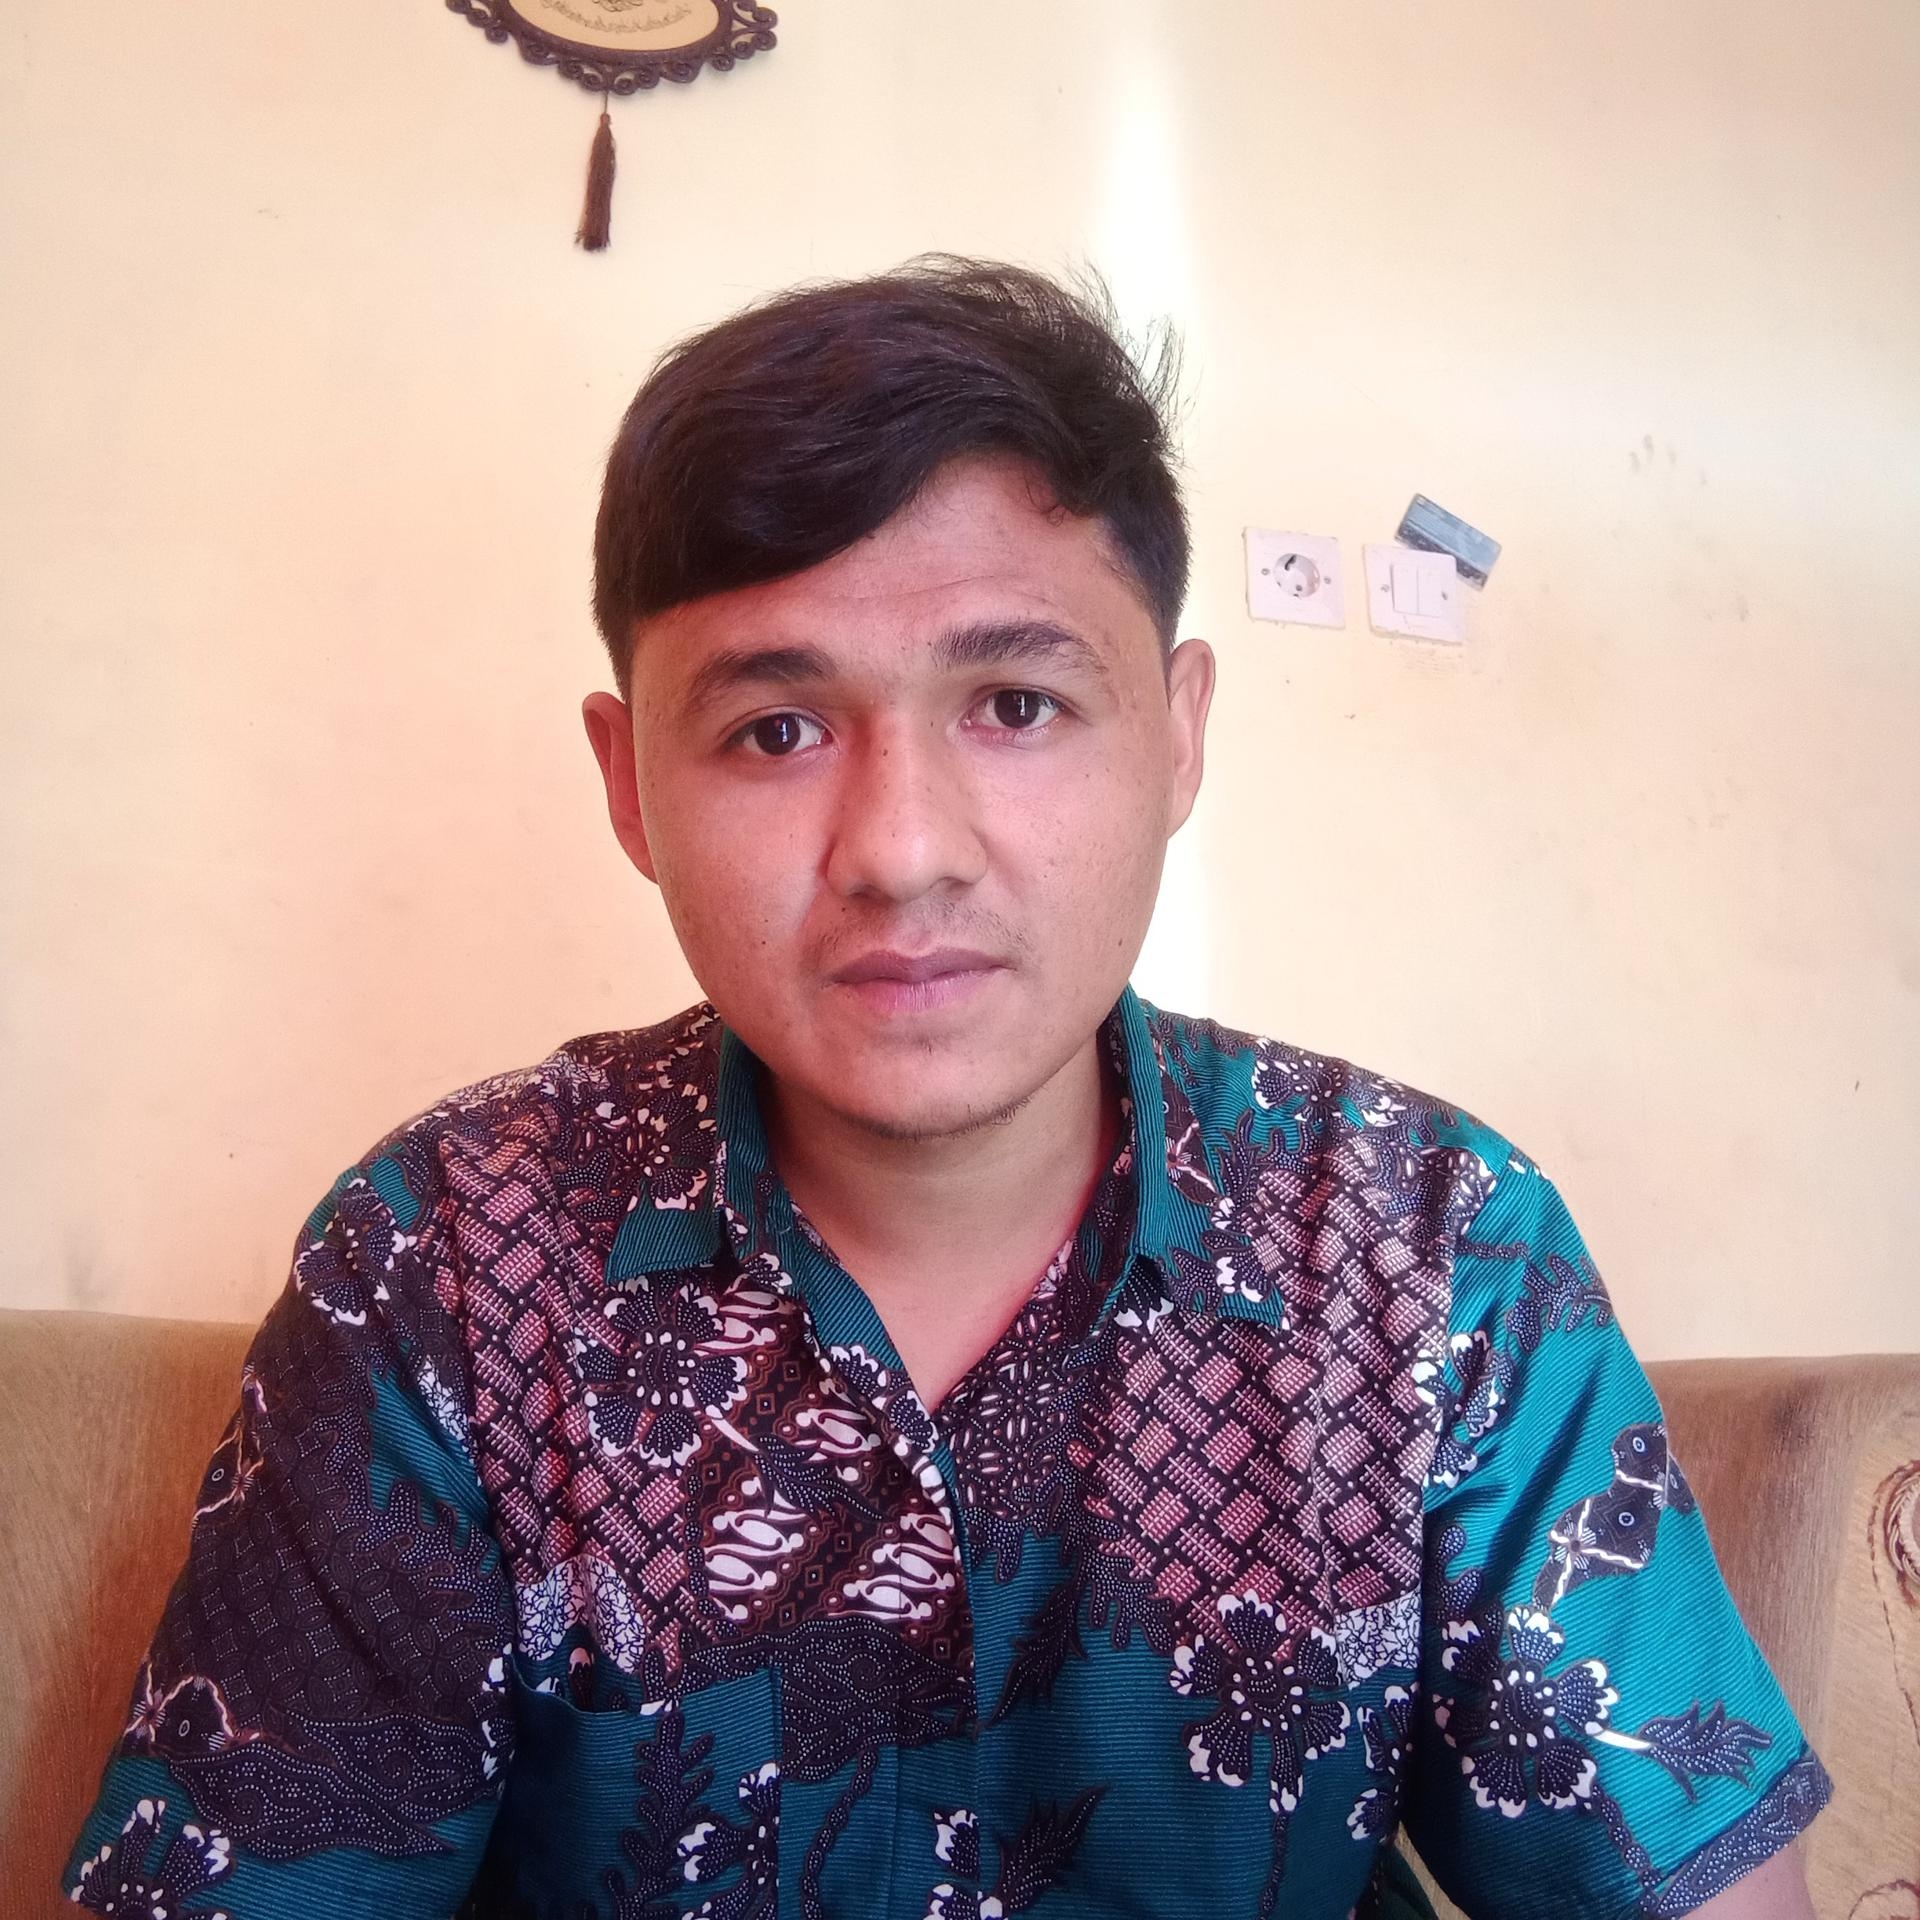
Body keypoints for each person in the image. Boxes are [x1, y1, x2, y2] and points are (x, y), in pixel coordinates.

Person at [66, 258, 1828, 1919]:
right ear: (629, 785)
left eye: (1017, 704)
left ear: (1180, 732)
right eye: (776, 729)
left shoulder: (1430, 1254)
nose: (903, 851)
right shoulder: (446, 1266)